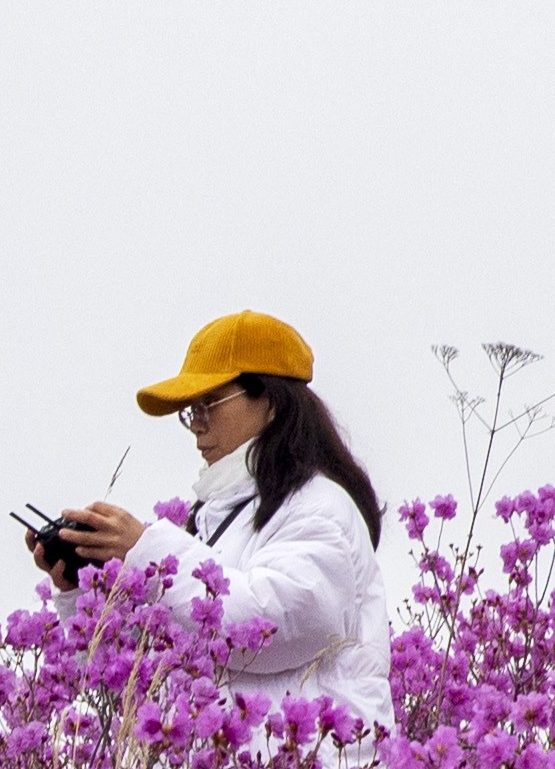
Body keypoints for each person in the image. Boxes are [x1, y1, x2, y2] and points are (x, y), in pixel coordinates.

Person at [46, 311, 389, 728]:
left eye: (209, 405)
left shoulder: (317, 506)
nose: (196, 427)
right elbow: (135, 682)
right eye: (190, 411)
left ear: (272, 403)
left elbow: (270, 625)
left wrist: (147, 552)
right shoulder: (218, 519)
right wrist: (82, 596)